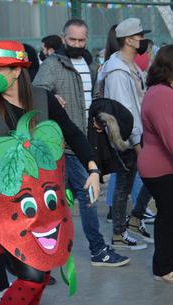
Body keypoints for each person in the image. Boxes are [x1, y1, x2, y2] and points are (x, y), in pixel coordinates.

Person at [0, 40, 101, 305]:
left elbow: (71, 133)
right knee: (33, 275)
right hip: (6, 209)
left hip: (44, 206)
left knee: (41, 269)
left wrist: (92, 168)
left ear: (17, 71)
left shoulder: (43, 100)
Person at [33, 19, 129, 266]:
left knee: (62, 199)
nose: (76, 44)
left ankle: (43, 254)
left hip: (86, 141)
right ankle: (97, 250)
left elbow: (95, 96)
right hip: (63, 144)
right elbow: (35, 93)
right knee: (85, 195)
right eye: (72, 39)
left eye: (81, 40)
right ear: (63, 38)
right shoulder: (53, 64)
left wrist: (99, 117)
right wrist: (51, 97)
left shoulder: (90, 64)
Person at [98, 17, 151, 250]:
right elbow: (125, 111)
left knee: (130, 182)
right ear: (129, 40)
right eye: (139, 36)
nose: (142, 40)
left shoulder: (126, 66)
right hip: (126, 138)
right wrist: (137, 140)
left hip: (134, 135)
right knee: (124, 184)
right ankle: (119, 233)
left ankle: (132, 222)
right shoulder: (118, 71)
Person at [138, 45, 173, 283]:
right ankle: (164, 268)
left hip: (161, 165)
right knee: (168, 217)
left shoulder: (161, 91)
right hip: (161, 167)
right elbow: (170, 136)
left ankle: (164, 265)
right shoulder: (162, 94)